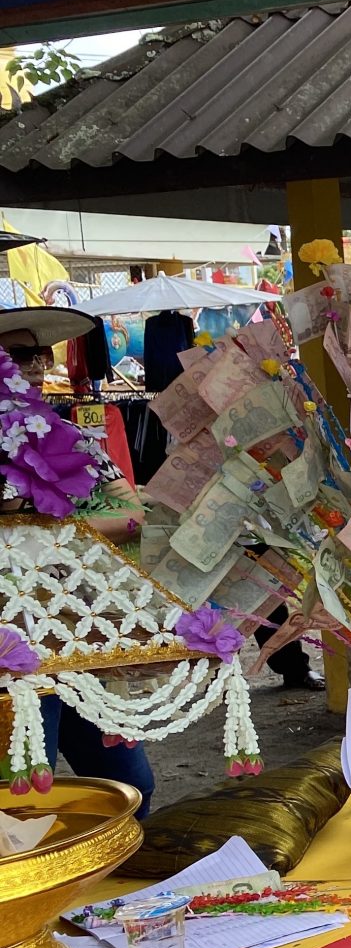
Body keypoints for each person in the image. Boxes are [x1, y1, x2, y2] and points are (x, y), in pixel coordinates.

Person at [0, 307, 156, 810]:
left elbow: (131, 512)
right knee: (21, 792)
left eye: (41, 354)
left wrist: (43, 530)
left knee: (132, 784)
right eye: (21, 355)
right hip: (10, 647)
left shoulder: (76, 435)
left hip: (77, 629)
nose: (37, 365)